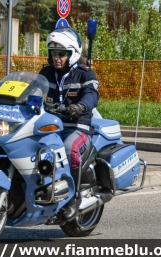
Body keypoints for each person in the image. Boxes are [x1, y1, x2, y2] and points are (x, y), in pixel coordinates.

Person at [39, 27, 99, 221]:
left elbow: (92, 95)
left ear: (72, 54)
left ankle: (73, 198)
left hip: (77, 127)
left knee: (69, 148)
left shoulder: (84, 74)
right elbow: (32, 89)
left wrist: (81, 106)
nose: (57, 58)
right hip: (51, 125)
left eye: (62, 54)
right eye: (54, 53)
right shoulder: (46, 73)